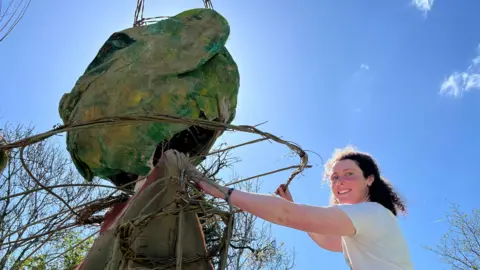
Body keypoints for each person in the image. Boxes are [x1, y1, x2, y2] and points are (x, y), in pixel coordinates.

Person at [185, 146, 414, 269]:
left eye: (349, 174)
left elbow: (286, 216)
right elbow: (327, 240)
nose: (339, 182)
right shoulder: (361, 224)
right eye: (334, 177)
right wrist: (291, 206)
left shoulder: (372, 213)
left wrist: (219, 191)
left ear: (369, 179)